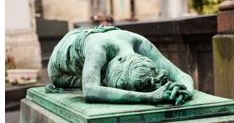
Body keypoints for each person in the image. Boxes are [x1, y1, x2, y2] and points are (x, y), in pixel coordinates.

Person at [47, 25, 194, 105]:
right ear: (120, 60)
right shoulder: (98, 48)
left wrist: (186, 90)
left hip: (100, 38)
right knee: (102, 85)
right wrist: (150, 97)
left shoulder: (140, 44)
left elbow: (182, 75)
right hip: (61, 71)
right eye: (120, 81)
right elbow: (90, 90)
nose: (115, 86)